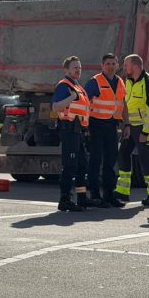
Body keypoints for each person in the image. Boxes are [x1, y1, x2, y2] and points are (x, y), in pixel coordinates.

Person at [111, 54, 149, 208]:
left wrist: (145, 132)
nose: (124, 68)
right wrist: (126, 124)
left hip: (143, 127)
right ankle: (123, 191)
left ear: (135, 66)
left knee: (146, 160)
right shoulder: (127, 81)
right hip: (130, 126)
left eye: (126, 65)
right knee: (123, 155)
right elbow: (126, 104)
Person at [84, 53, 129, 207]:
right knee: (95, 161)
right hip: (95, 125)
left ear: (117, 65)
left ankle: (109, 195)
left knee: (111, 161)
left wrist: (127, 125)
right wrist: (85, 125)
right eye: (107, 64)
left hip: (111, 126)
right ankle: (95, 195)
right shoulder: (95, 82)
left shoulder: (120, 82)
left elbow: (123, 105)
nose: (110, 66)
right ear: (102, 66)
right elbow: (84, 103)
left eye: (113, 63)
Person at [51, 56, 90, 212]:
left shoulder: (78, 86)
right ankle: (65, 199)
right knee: (70, 165)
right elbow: (55, 107)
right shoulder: (64, 85)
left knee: (82, 165)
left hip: (78, 131)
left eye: (79, 67)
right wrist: (72, 97)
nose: (78, 70)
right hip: (69, 130)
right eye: (75, 67)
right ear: (66, 70)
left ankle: (82, 198)